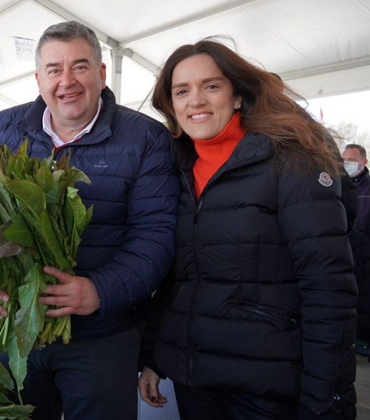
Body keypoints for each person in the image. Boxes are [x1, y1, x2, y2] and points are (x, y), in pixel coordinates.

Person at [0, 21, 178, 420]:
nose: (66, 81)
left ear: (102, 74)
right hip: (17, 330)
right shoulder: (4, 128)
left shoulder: (146, 138)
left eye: (80, 66)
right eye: (54, 69)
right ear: (39, 79)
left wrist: (98, 291)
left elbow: (155, 236)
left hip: (101, 338)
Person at [138, 38, 357, 420]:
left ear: (238, 95)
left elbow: (328, 290)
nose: (196, 101)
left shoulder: (289, 160)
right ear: (171, 105)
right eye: (182, 91)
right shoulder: (178, 171)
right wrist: (155, 354)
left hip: (267, 390)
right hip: (197, 383)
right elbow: (179, 278)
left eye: (211, 86)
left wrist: (327, 399)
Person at [344, 144, 370, 354]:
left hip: (364, 250)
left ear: (364, 162)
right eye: (344, 160)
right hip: (344, 246)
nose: (347, 165)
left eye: (351, 161)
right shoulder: (339, 183)